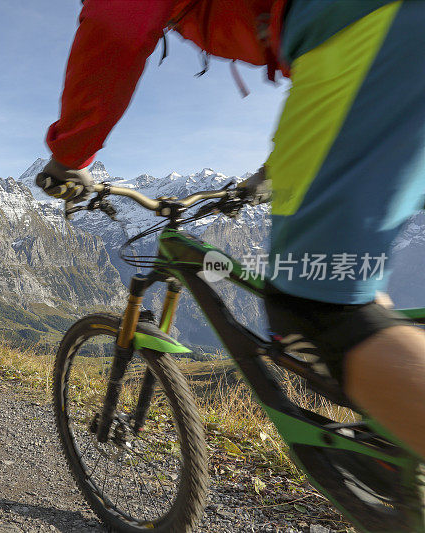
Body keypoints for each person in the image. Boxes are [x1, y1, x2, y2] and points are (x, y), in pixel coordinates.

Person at [37, 0, 425, 459]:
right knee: (352, 285)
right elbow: (325, 94)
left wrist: (69, 157)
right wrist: (271, 171)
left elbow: (115, 27)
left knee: (318, 312)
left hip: (373, 28)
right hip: (375, 44)